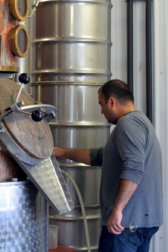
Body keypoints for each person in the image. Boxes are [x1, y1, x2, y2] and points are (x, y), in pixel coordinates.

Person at [54, 79, 163, 252]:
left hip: (124, 225)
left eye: (101, 104)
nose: (101, 111)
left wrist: (118, 210)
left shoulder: (127, 125)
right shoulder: (141, 122)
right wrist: (63, 153)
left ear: (111, 101)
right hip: (141, 223)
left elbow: (134, 168)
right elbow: (100, 157)